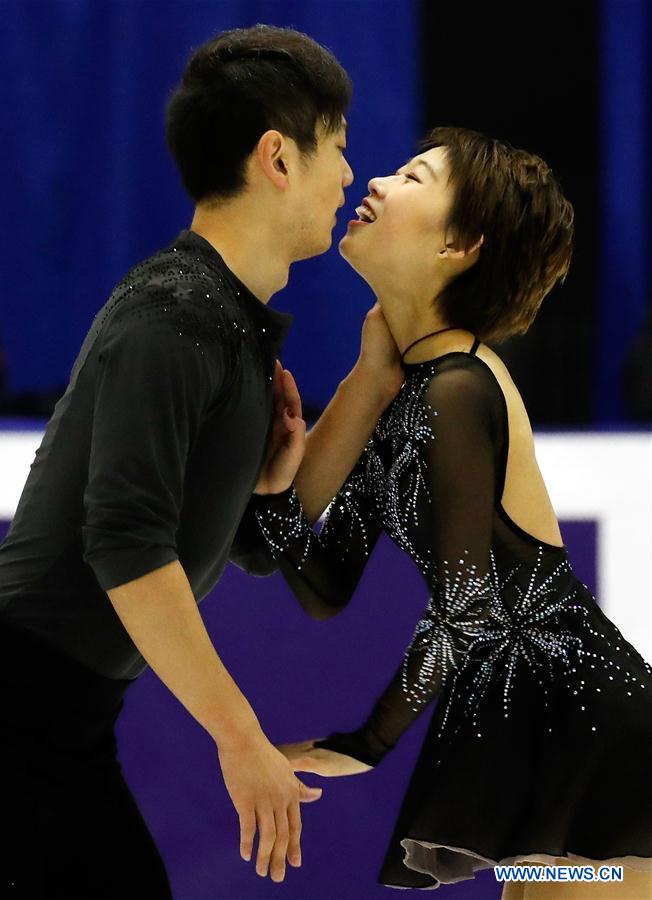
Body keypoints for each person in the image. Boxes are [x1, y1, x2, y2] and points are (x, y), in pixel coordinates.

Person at [0, 25, 404, 898]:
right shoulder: (173, 315)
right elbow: (127, 544)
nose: (347, 178)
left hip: (57, 722)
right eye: (340, 149)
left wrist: (366, 382)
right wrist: (238, 734)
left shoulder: (230, 323)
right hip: (8, 709)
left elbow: (250, 542)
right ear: (277, 157)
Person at [235, 126, 652, 898]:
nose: (381, 182)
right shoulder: (409, 396)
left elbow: (466, 607)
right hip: (541, 733)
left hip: (595, 732)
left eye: (415, 177)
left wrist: (367, 743)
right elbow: (326, 585)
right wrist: (274, 490)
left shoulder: (459, 388)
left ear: (459, 245)